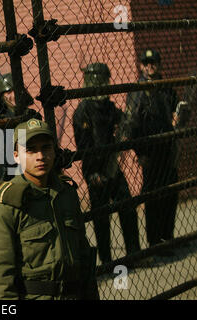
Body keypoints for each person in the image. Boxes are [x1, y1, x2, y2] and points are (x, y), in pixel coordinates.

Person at [0, 118, 99, 300]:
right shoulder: (3, 206)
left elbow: (83, 255)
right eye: (31, 150)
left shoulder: (66, 194)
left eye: (46, 148)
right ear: (16, 156)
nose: (40, 156)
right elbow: (0, 279)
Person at [73, 62, 141, 264]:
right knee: (101, 217)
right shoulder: (83, 110)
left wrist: (127, 121)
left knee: (127, 207)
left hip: (112, 165)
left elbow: (124, 122)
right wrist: (92, 173)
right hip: (94, 170)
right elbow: (83, 147)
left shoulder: (109, 107)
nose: (100, 84)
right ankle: (106, 260)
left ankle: (134, 253)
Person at [125, 49, 182, 254]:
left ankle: (168, 237)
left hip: (168, 150)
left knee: (170, 195)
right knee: (153, 197)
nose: (150, 66)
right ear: (141, 65)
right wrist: (140, 153)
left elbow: (176, 111)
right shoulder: (138, 90)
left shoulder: (166, 88)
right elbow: (131, 126)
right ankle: (155, 242)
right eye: (146, 62)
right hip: (150, 152)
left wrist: (178, 117)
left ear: (159, 64)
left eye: (153, 62)